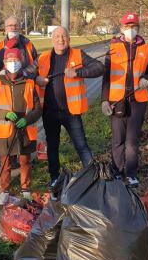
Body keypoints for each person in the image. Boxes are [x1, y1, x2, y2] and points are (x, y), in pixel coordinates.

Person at [36, 26, 104, 193]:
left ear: (69, 39)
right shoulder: (43, 58)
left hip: (71, 112)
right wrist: (36, 78)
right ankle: (54, 178)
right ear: (52, 39)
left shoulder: (77, 55)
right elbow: (27, 73)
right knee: (52, 146)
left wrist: (78, 72)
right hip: (49, 112)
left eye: (64, 36)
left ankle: (93, 176)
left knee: (81, 145)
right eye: (57, 36)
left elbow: (99, 68)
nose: (61, 40)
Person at [101, 12, 148, 187]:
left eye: (133, 26)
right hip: (117, 100)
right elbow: (106, 77)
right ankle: (117, 171)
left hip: (138, 101)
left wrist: (147, 78)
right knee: (118, 139)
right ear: (121, 27)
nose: (130, 29)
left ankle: (131, 173)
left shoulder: (146, 48)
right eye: (127, 26)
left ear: (138, 27)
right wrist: (104, 100)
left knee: (132, 140)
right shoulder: (113, 47)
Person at [0, 47, 41, 206]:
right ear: (4, 63)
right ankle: (5, 190)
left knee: (25, 160)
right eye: (9, 60)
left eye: (15, 60)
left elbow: (38, 108)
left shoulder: (29, 82)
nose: (13, 63)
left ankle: (26, 189)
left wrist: (28, 119)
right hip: (4, 131)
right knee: (5, 163)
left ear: (21, 62)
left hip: (24, 130)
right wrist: (4, 114)